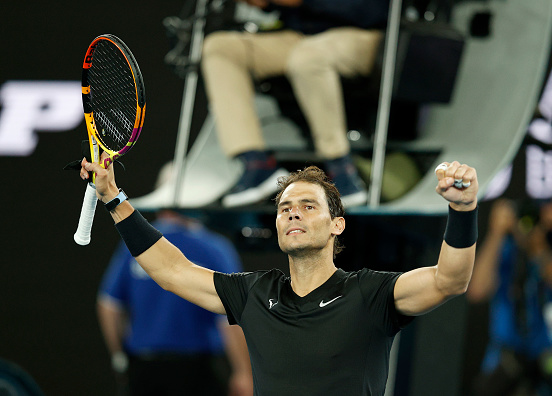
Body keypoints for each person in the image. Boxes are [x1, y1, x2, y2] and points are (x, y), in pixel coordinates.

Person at [81, 154, 478, 395]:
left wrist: (462, 211)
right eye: (285, 207)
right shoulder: (255, 293)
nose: (293, 212)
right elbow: (172, 271)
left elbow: (450, 280)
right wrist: (115, 200)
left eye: (308, 206)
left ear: (337, 225)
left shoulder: (370, 292)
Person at [200, 0, 390, 208]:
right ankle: (256, 163)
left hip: (364, 33)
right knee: (220, 46)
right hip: (300, 34)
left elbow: (372, 10)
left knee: (308, 56)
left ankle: (342, 171)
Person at [97, 207, 253, 396]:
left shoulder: (135, 244)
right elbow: (231, 316)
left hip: (144, 369)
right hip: (196, 371)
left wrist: (120, 357)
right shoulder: (213, 248)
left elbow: (109, 305)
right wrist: (243, 372)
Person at [467, 194, 552, 396]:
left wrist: (537, 246)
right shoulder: (509, 251)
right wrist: (497, 233)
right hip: (504, 367)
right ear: (540, 213)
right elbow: (477, 291)